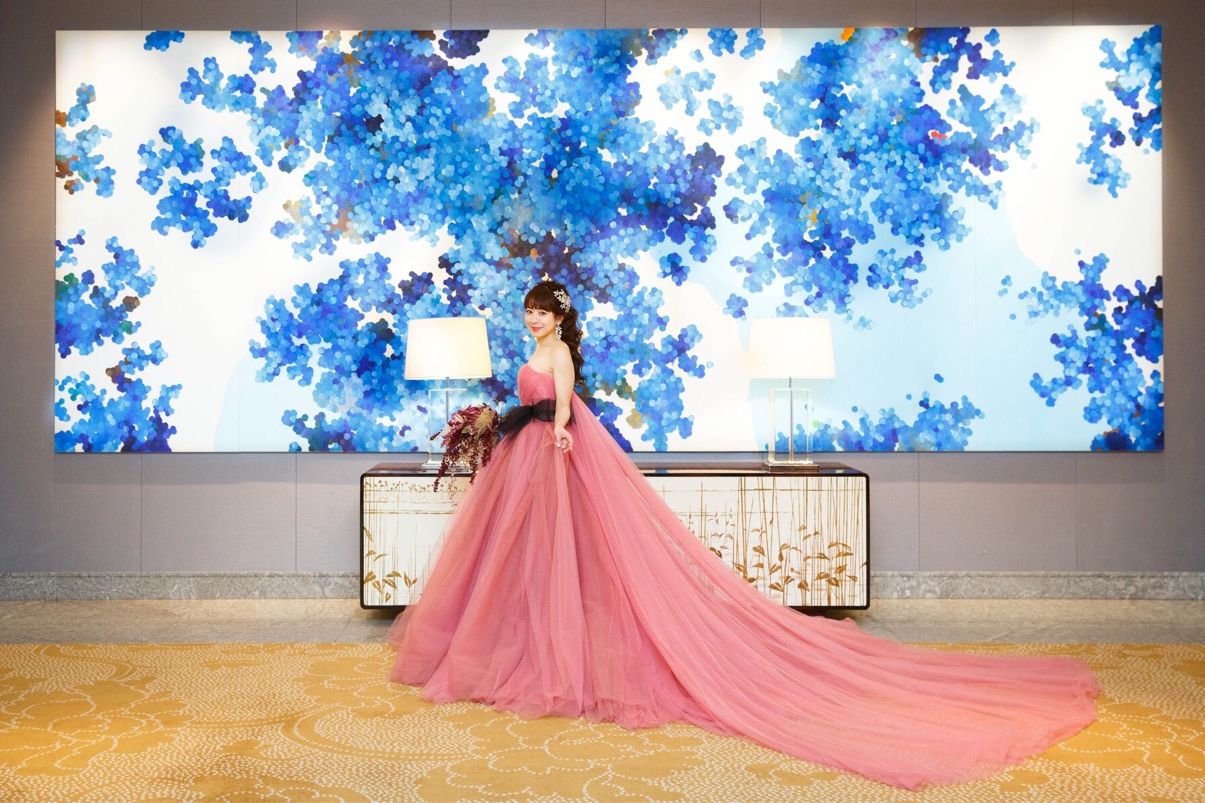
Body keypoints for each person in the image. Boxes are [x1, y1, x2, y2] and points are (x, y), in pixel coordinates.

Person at [387, 279, 1099, 790]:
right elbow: (531, 401)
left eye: (541, 313)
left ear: (559, 318)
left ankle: (561, 655)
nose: (533, 321)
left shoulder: (561, 356)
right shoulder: (532, 352)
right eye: (528, 313)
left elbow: (566, 406)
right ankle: (520, 644)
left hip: (556, 454)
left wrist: (562, 436)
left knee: (577, 553)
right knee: (523, 557)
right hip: (526, 458)